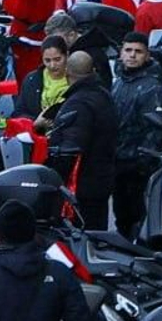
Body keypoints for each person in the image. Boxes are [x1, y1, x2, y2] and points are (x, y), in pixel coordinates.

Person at [45, 51, 117, 231]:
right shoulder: (104, 95)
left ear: (67, 73)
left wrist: (53, 174)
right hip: (103, 177)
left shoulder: (78, 103)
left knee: (83, 236)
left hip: (83, 185)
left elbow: (70, 149)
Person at [110, 33, 162, 238]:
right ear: (120, 53)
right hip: (118, 162)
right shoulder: (118, 82)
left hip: (138, 166)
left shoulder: (153, 86)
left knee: (137, 218)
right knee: (121, 216)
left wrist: (143, 163)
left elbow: (157, 130)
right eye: (128, 50)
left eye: (138, 51)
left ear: (146, 55)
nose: (132, 55)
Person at [13, 37, 70, 122]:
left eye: (57, 59)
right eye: (47, 60)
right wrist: (36, 122)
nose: (52, 65)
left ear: (67, 55)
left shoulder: (77, 78)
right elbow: (19, 113)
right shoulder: (32, 79)